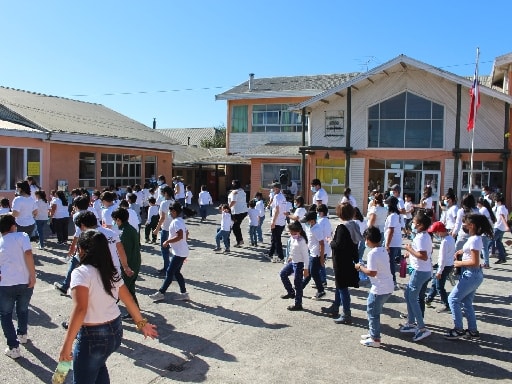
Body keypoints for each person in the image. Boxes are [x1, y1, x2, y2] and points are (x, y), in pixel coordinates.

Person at [57, 230, 158, 383]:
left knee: (86, 374)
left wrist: (67, 345)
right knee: (98, 365)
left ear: (82, 250)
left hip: (93, 337)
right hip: (115, 331)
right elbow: (128, 299)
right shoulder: (111, 271)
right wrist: (141, 324)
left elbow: (80, 309)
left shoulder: (81, 273)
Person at [444, 213, 492, 340]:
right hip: (472, 274)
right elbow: (470, 252)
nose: (463, 225)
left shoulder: (475, 240)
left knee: (453, 299)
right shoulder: (474, 239)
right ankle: (472, 330)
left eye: (465, 223)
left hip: (471, 273)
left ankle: (458, 329)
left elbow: (475, 262)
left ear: (472, 225)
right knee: (467, 302)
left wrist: (458, 263)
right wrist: (461, 252)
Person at [0, 214, 36, 359]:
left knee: (6, 314)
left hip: (5, 283)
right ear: (13, 226)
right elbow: (28, 253)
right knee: (22, 309)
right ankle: (22, 334)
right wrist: (32, 275)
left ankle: (13, 347)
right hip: (25, 280)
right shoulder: (22, 236)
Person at [355, 226, 394, 348]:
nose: (365, 242)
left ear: (370, 239)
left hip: (379, 288)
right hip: (387, 286)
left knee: (372, 312)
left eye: (366, 239)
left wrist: (360, 267)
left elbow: (372, 272)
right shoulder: (383, 250)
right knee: (374, 312)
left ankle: (375, 339)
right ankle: (373, 333)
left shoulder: (372, 253)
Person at [399, 212, 433, 342]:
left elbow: (423, 256)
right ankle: (411, 322)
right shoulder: (422, 236)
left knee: (412, 298)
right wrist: (411, 254)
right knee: (408, 294)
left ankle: (422, 328)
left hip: (420, 271)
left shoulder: (422, 238)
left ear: (420, 225)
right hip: (421, 270)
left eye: (414, 222)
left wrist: (409, 250)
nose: (412, 224)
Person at [150, 202, 190, 302]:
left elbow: (180, 235)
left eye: (170, 212)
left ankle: (161, 293)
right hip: (182, 251)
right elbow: (186, 233)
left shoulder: (176, 222)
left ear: (174, 212)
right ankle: (184, 293)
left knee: (169, 272)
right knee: (176, 272)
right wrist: (183, 242)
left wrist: (167, 241)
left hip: (179, 253)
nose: (169, 214)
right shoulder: (180, 220)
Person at [328, 203, 360, 324]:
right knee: (340, 285)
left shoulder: (342, 227)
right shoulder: (354, 225)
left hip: (341, 261)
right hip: (350, 258)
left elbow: (338, 245)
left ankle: (346, 313)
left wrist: (330, 241)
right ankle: (336, 306)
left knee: (342, 287)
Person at [111, 208, 141, 316]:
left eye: (115, 220)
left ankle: (134, 313)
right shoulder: (130, 229)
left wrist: (125, 267)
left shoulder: (125, 233)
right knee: (130, 289)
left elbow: (124, 252)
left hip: (129, 265)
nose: (114, 223)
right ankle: (135, 311)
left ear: (119, 220)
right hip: (134, 262)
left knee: (125, 291)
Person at [425, 221, 455, 313]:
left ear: (439, 231)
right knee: (435, 283)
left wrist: (439, 271)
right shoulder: (450, 238)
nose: (434, 234)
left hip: (444, 266)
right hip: (449, 265)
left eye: (435, 232)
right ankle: (429, 299)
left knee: (439, 287)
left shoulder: (444, 242)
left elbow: (442, 258)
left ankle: (447, 305)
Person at [279, 221, 309, 311]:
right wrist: (291, 257)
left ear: (299, 231)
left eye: (294, 233)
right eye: (291, 233)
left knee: (298, 284)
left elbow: (306, 257)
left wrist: (306, 269)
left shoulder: (302, 241)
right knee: (282, 274)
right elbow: (292, 248)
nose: (292, 234)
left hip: (300, 264)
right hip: (293, 262)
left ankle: (298, 304)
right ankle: (291, 292)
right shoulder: (293, 238)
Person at [301, 211, 326, 300]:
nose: (306, 223)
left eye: (307, 221)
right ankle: (300, 287)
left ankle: (321, 291)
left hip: (316, 255)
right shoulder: (311, 227)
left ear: (312, 220)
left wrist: (322, 258)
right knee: (310, 272)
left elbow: (322, 243)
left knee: (313, 273)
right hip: (312, 252)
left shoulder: (316, 229)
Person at [153, 186, 175, 274]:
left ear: (166, 193)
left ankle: (167, 268)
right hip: (173, 228)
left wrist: (157, 229)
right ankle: (171, 267)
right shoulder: (173, 202)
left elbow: (162, 217)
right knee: (172, 249)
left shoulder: (164, 203)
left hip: (165, 228)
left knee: (164, 250)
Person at [383, 196, 402, 285]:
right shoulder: (396, 215)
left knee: (390, 262)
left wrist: (387, 244)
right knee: (389, 261)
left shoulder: (393, 216)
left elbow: (391, 230)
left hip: (392, 243)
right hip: (395, 242)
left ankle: (392, 280)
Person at [266, 182, 287, 262]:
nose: (272, 189)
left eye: (273, 188)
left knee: (277, 240)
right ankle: (270, 253)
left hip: (277, 221)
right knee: (274, 239)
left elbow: (277, 210)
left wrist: (273, 222)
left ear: (277, 188)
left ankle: (281, 256)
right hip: (281, 221)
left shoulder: (277, 197)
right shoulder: (282, 197)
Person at [228, 180, 248, 247]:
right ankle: (240, 240)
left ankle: (239, 241)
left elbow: (233, 201)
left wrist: (228, 207)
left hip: (238, 212)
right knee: (236, 226)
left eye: (233, 184)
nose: (232, 185)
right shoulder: (242, 191)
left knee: (235, 227)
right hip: (243, 211)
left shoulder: (235, 192)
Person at [477, 197, 495, 268]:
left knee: (484, 248)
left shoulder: (482, 210)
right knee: (485, 247)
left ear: (480, 203)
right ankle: (485, 261)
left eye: (477, 203)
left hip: (484, 231)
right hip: (488, 231)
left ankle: (486, 263)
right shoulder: (487, 209)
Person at [316, 204, 331, 287]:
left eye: (318, 212)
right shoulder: (327, 220)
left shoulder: (321, 221)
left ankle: (322, 281)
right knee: (321, 264)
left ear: (321, 213)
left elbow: (318, 233)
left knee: (320, 264)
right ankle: (322, 280)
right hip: (325, 245)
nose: (317, 214)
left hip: (321, 245)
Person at [493, 194, 509, 264]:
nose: (495, 202)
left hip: (498, 227)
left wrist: (506, 226)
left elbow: (502, 217)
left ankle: (483, 255)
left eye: (496, 201)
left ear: (499, 201)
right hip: (501, 228)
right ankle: (502, 258)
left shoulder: (500, 208)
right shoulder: (505, 208)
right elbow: (507, 217)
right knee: (498, 242)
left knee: (490, 241)